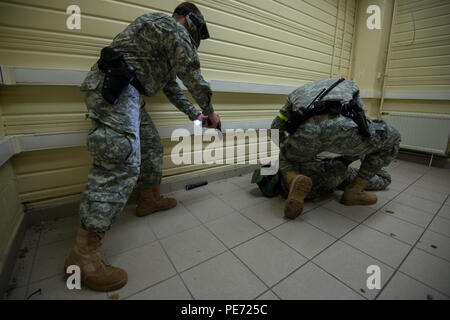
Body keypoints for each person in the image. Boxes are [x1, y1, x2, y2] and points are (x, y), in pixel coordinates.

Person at [65, 2, 220, 292]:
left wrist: (195, 116)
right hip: (116, 89)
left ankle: (148, 199)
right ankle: (82, 256)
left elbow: (172, 87)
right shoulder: (167, 26)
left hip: (129, 94)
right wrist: (210, 110)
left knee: (149, 146)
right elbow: (191, 71)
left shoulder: (160, 45)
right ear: (190, 22)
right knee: (121, 160)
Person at [271, 78, 401, 219]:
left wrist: (288, 148)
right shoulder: (349, 85)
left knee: (285, 154)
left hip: (306, 135)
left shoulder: (295, 93)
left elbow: (275, 128)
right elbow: (362, 119)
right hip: (341, 131)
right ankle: (355, 190)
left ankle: (293, 178)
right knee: (393, 138)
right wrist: (363, 152)